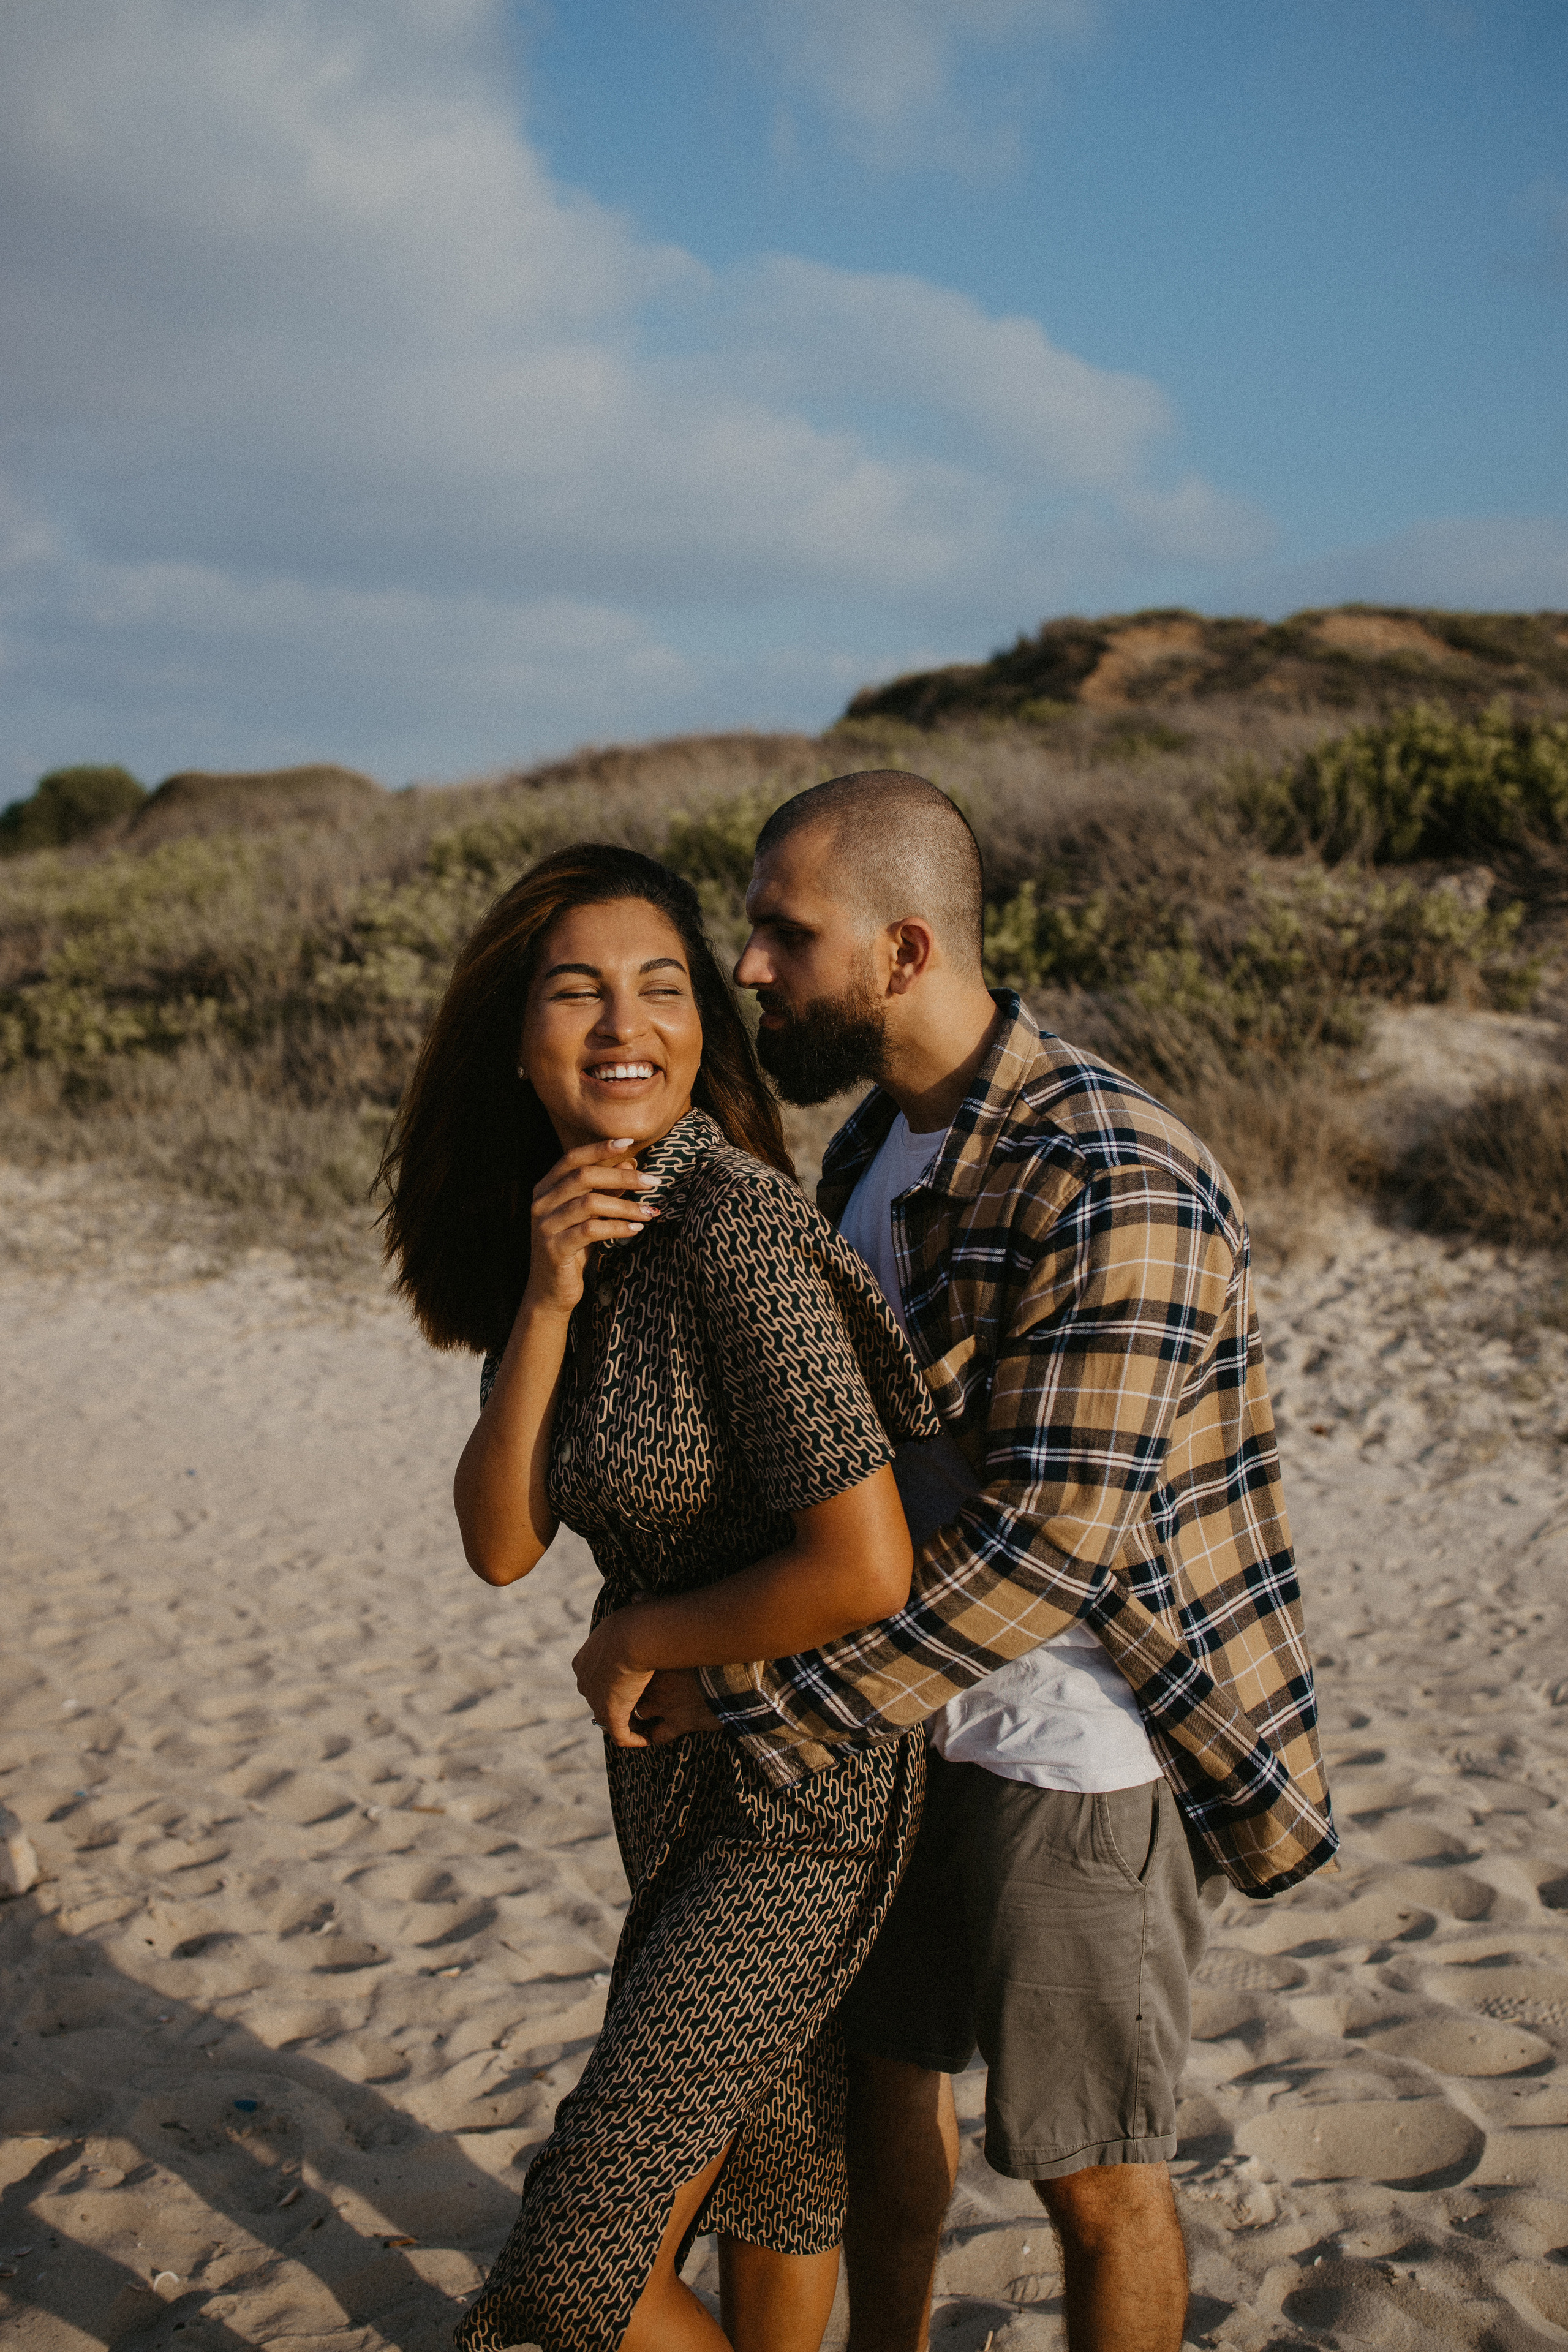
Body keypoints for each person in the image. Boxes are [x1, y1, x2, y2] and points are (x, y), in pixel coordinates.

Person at [638, 771, 1337, 2352]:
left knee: (1097, 2177)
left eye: (781, 933)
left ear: (900, 951)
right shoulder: (877, 1142)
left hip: (1075, 1745)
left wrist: (756, 1687)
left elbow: (1050, 1552)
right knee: (894, 2119)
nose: (750, 969)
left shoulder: (1115, 1174)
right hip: (905, 1727)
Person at [376, 843, 939, 2352]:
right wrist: (547, 1301)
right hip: (677, 1792)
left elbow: (862, 1563)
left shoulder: (740, 1231)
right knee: (777, 2178)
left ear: (701, 1024)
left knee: (573, 2270)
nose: (625, 1026)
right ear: (516, 1038)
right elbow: (501, 1542)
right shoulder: (577, 1235)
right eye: (579, 993)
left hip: (805, 1803)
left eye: (660, 989)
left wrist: (635, 1634)